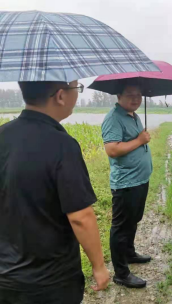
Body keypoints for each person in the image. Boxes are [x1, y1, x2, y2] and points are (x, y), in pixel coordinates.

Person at [0, 81, 109, 304]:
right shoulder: (63, 145)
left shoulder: (2, 135)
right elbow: (80, 217)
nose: (77, 95)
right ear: (60, 96)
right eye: (76, 88)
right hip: (50, 283)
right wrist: (98, 266)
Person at [101, 83, 152, 289]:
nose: (136, 99)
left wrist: (141, 139)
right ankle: (121, 273)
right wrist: (140, 140)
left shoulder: (134, 115)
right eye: (130, 95)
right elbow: (112, 149)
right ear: (119, 96)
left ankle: (129, 253)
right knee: (121, 227)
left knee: (134, 220)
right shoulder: (113, 118)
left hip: (140, 180)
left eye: (139, 95)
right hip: (126, 184)